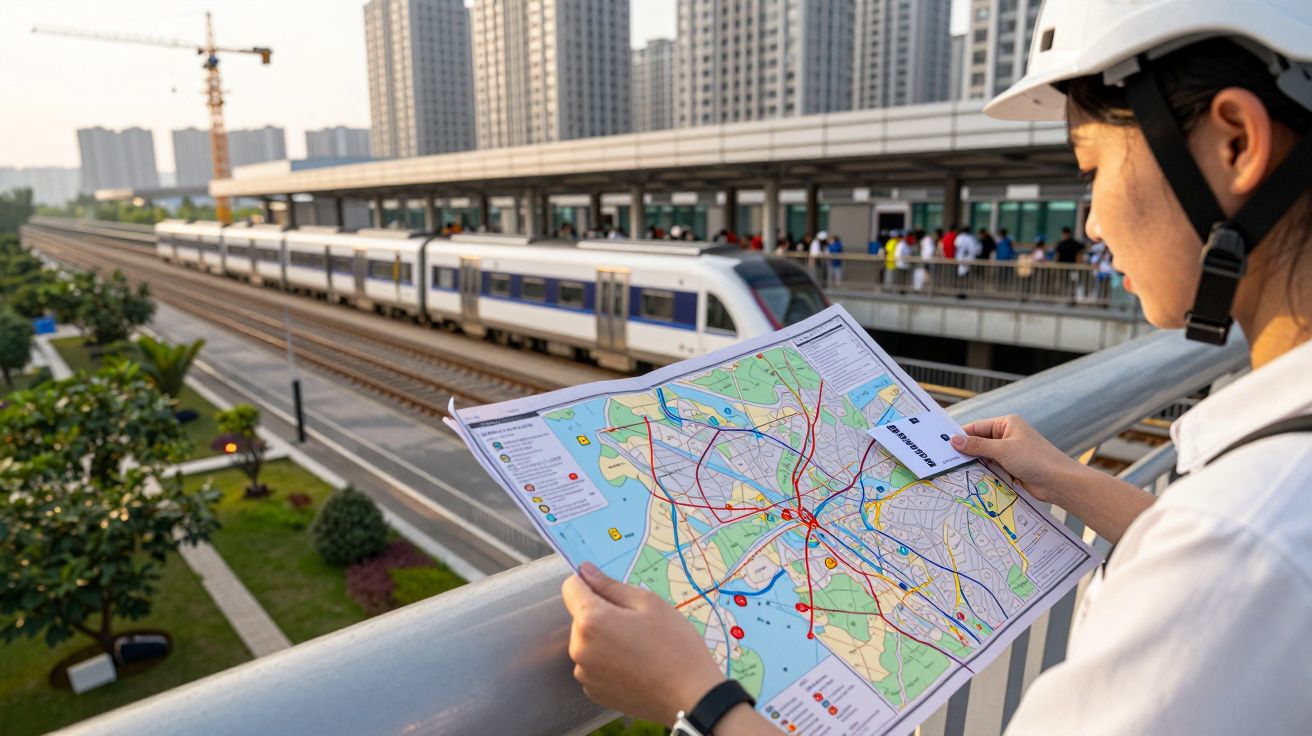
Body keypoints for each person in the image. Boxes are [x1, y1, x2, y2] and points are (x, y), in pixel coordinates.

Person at [560, 3, 1312, 733]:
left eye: (1092, 169)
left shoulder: (1235, 548)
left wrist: (702, 702)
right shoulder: (1255, 519)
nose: (1091, 223)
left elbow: (1233, 558)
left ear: (1235, 143)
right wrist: (1065, 480)